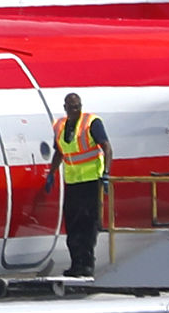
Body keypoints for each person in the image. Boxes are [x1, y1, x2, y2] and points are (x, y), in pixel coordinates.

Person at [42, 92, 113, 277]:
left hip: (91, 181)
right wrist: (51, 173)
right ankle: (76, 264)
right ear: (65, 108)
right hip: (72, 182)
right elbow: (59, 152)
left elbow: (106, 147)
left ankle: (87, 264)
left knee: (88, 224)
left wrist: (106, 173)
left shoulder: (91, 122)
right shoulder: (60, 126)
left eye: (78, 106)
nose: (76, 110)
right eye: (72, 107)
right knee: (72, 225)